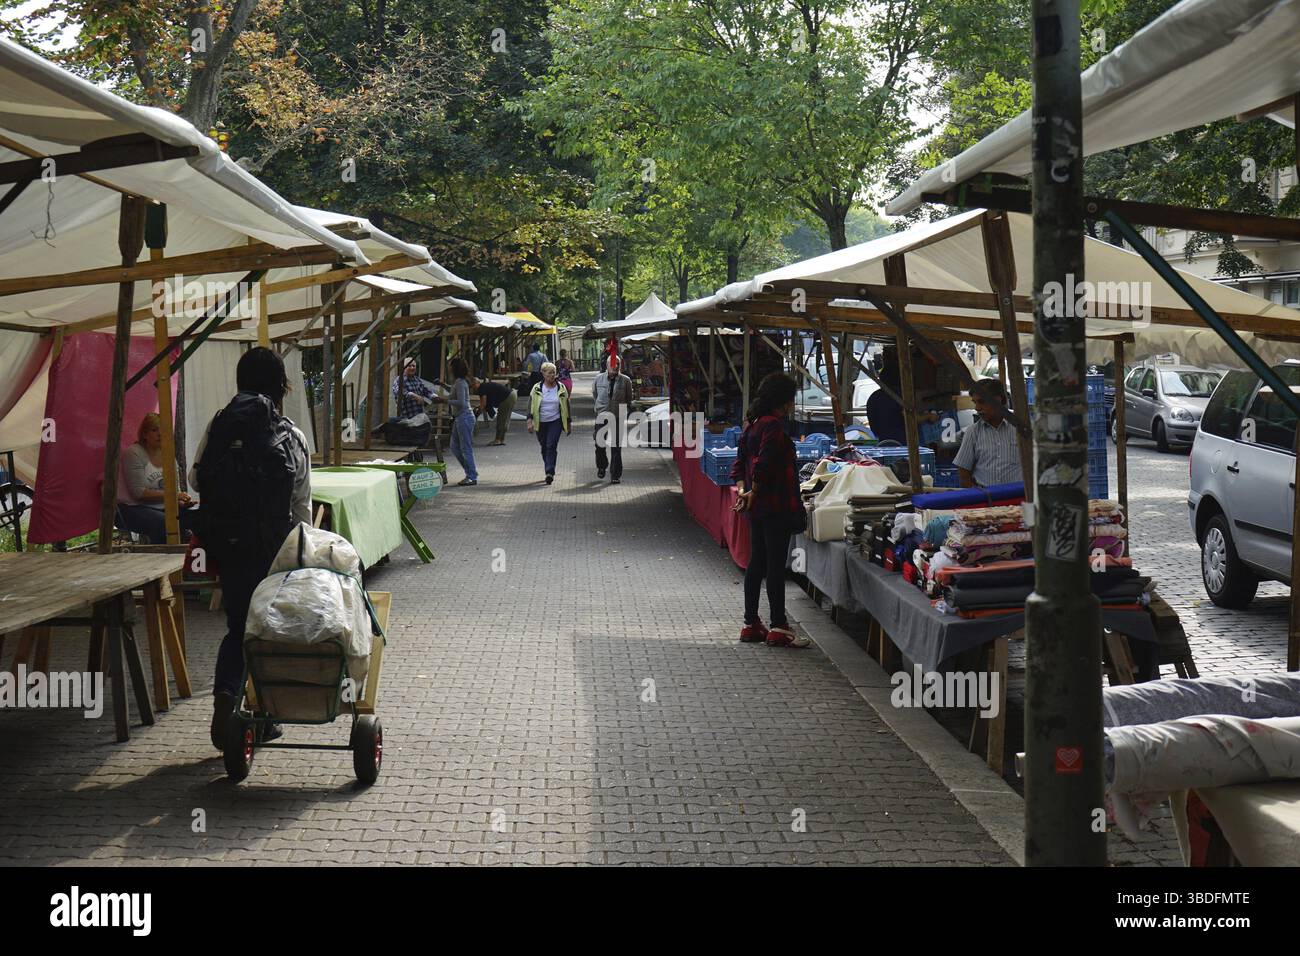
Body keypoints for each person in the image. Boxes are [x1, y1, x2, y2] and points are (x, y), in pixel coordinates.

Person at [190, 347, 311, 750]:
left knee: (238, 625)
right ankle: (265, 717)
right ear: (282, 386)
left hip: (226, 543)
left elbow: (195, 478)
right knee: (269, 629)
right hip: (273, 550)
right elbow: (300, 506)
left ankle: (226, 695)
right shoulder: (291, 435)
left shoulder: (219, 426)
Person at [731, 373, 811, 649]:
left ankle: (751, 623)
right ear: (785, 401)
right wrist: (753, 490)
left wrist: (745, 492)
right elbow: (764, 463)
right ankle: (779, 625)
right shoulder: (773, 427)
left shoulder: (752, 424)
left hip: (757, 508)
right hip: (776, 505)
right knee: (775, 566)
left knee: (757, 563)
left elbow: (740, 463)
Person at [115, 412, 197, 544]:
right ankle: (164, 555)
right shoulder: (134, 453)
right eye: (154, 430)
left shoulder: (168, 455)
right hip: (132, 508)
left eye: (163, 430)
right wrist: (174, 496)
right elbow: (139, 493)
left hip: (162, 506)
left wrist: (181, 502)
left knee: (198, 515)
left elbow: (172, 490)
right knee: (163, 523)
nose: (160, 434)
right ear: (144, 434)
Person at [954, 377, 1022, 488]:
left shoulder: (1019, 429)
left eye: (981, 402)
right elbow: (963, 471)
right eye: (975, 402)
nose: (977, 408)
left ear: (998, 400)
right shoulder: (973, 432)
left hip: (1017, 498)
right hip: (986, 499)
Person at [527, 361, 570, 485]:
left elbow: (567, 404)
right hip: (540, 421)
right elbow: (530, 404)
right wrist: (529, 420)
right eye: (549, 373)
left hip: (555, 421)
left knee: (551, 445)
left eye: (554, 373)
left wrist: (568, 421)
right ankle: (548, 468)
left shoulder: (561, 387)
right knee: (544, 446)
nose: (552, 375)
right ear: (543, 374)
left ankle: (549, 471)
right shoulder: (537, 388)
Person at [592, 355, 633, 483]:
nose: (615, 367)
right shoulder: (598, 379)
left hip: (618, 416)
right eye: (613, 364)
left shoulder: (626, 380)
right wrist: (601, 407)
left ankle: (615, 475)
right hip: (602, 415)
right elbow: (595, 394)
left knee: (616, 447)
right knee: (600, 444)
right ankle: (602, 466)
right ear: (607, 365)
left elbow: (628, 397)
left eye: (618, 364)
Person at [438, 358, 478, 485]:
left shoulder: (461, 383)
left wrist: (443, 400)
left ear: (454, 368)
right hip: (460, 417)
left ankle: (471, 476)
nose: (448, 368)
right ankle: (470, 471)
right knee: (454, 446)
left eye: (450, 365)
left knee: (465, 448)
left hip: (464, 417)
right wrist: (443, 385)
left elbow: (460, 402)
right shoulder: (458, 382)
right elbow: (454, 392)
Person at [474, 373, 517, 446]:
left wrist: (476, 415)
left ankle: (498, 440)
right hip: (512, 395)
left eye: (472, 385)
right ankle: (501, 439)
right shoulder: (484, 386)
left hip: (507, 398)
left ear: (477, 383)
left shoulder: (481, 388)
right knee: (505, 419)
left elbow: (483, 404)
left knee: (501, 419)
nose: (472, 388)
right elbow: (483, 404)